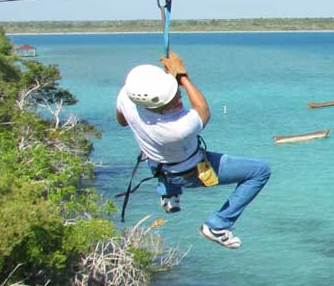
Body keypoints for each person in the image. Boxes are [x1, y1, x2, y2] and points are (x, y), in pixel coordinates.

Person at [116, 52, 270, 249]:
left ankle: (168, 194)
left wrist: (165, 83)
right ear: (157, 107)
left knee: (162, 159)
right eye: (173, 99)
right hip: (188, 172)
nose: (179, 97)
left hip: (157, 164)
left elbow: (122, 121)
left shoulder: (126, 97)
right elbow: (203, 110)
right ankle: (217, 225)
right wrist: (183, 77)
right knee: (260, 171)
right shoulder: (177, 128)